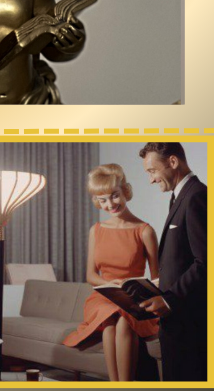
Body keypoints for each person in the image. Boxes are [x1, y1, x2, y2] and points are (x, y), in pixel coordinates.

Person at [63, 163, 159, 382]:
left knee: (122, 322)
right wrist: (112, 285)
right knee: (110, 321)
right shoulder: (96, 231)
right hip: (103, 297)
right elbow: (91, 276)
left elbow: (156, 277)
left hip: (134, 298)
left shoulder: (144, 231)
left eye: (114, 196)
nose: (110, 204)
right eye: (103, 199)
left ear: (125, 191)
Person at [139, 141, 207, 383]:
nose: (151, 180)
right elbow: (183, 258)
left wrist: (169, 298)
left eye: (152, 171)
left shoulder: (197, 196)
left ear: (173, 161)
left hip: (189, 319)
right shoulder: (180, 196)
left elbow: (205, 261)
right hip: (177, 317)